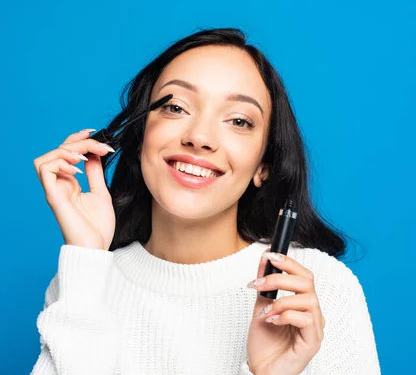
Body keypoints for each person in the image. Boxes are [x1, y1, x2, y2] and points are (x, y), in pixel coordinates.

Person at [30, 28, 380, 375]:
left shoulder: (314, 290)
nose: (199, 138)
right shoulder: (83, 281)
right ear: (139, 139)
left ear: (263, 166)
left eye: (239, 121)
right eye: (175, 107)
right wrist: (88, 257)